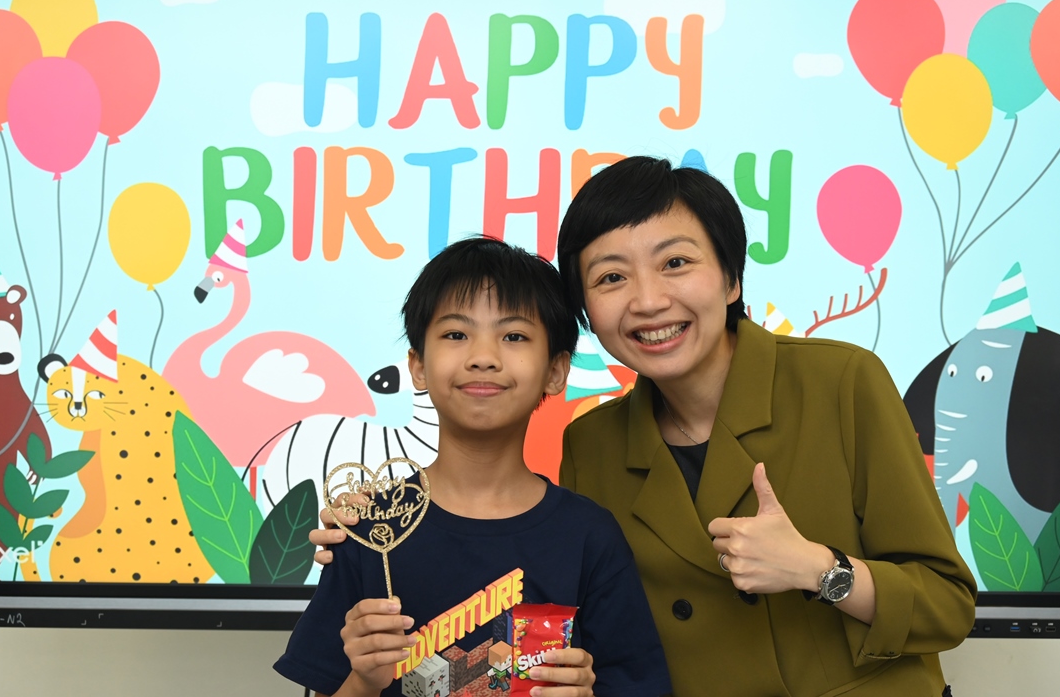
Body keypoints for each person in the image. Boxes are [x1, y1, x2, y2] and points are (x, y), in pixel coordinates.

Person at [312, 157, 978, 696]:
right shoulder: (594, 443)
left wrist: (819, 569)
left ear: (732, 278)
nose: (649, 300)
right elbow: (575, 614)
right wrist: (373, 522)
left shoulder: (842, 382)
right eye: (611, 277)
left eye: (676, 263)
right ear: (587, 314)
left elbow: (948, 605)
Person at [276, 237, 671, 697]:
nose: (483, 357)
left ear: (556, 371)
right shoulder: (369, 527)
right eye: (456, 335)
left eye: (514, 336)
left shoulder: (590, 536)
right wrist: (364, 680)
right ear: (418, 365)